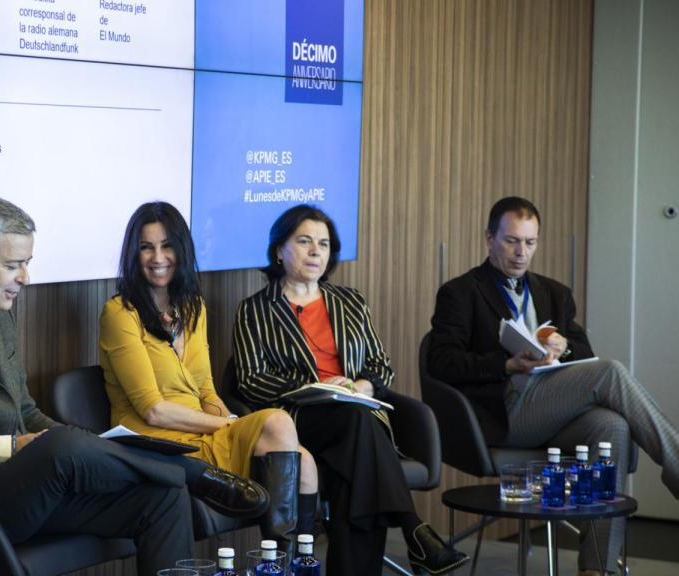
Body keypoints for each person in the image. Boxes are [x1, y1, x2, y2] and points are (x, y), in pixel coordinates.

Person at [0, 195, 265, 576]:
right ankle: (194, 472)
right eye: (14, 265)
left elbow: (24, 411)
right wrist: (14, 446)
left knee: (163, 496)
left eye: (27, 263)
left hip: (31, 487)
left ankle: (179, 476)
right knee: (62, 446)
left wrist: (74, 442)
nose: (25, 278)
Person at [429, 196, 679, 576]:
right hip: (502, 411)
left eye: (530, 242)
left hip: (550, 407)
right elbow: (441, 361)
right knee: (610, 372)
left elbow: (585, 352)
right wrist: (506, 363)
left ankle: (597, 567)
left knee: (613, 427)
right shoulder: (460, 291)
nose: (521, 253)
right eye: (512, 241)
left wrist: (565, 347)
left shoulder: (554, 293)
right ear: (489, 239)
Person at [232, 204, 467, 576]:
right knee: (359, 433)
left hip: (358, 415)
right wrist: (315, 386)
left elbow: (381, 366)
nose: (316, 252)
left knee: (354, 472)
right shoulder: (255, 310)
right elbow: (250, 378)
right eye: (304, 241)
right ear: (279, 250)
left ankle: (411, 534)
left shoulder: (350, 302)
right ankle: (413, 529)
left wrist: (360, 384)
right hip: (300, 421)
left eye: (324, 244)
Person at [99, 201, 318, 552]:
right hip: (156, 443)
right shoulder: (119, 313)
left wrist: (218, 416)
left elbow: (206, 389)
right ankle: (278, 566)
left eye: (167, 245)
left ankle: (289, 562)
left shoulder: (193, 308)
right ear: (133, 253)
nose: (158, 257)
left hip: (201, 433)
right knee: (277, 424)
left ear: (181, 249)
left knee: (305, 463)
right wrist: (226, 426)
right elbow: (152, 409)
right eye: (146, 247)